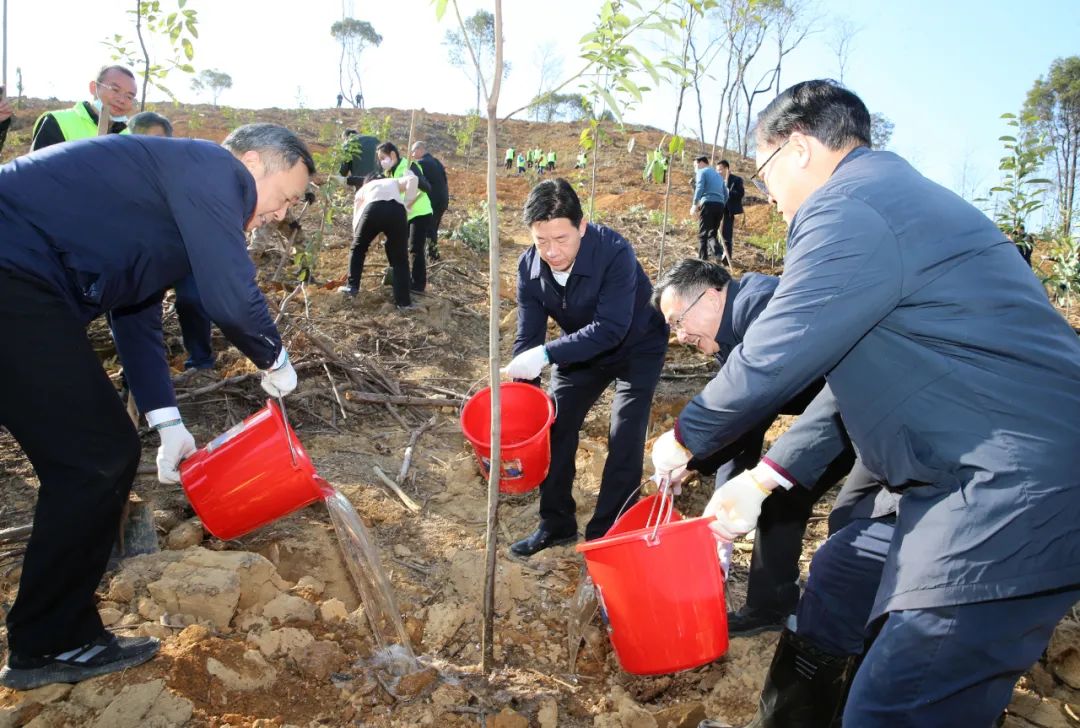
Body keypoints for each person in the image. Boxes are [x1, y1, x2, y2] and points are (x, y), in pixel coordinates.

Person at [647, 80, 1080, 726]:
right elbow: (842, 399)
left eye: (763, 171)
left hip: (1011, 488)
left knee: (897, 705)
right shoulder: (887, 206)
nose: (767, 194)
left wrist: (684, 437)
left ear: (797, 149)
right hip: (948, 478)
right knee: (844, 572)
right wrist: (763, 480)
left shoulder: (849, 206)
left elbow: (776, 348)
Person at [0, 122, 312, 691]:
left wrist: (166, 420)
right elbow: (229, 294)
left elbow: (135, 314)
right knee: (94, 457)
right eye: (284, 196)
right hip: (13, 273)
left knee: (95, 455)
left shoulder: (171, 203)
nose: (278, 214)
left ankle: (48, 637)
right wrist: (274, 355)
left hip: (23, 281)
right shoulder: (212, 171)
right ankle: (50, 641)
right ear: (252, 163)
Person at [653, 258, 888, 636]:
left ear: (712, 299)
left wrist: (760, 475)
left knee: (854, 519)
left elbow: (757, 397)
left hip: (872, 411)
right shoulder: (731, 337)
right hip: (835, 417)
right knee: (780, 499)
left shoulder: (762, 308)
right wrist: (695, 462)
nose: (679, 336)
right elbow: (746, 420)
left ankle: (859, 627)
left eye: (678, 322)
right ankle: (771, 606)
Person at [506, 178, 669, 556]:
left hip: (636, 345)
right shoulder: (529, 268)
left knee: (625, 434)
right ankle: (556, 522)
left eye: (561, 239)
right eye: (541, 240)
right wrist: (521, 394)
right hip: (579, 350)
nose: (551, 251)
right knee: (555, 426)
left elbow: (612, 328)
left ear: (581, 226)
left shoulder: (614, 252)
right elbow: (528, 337)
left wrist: (546, 355)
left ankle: (606, 535)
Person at [128, 111, 216, 373]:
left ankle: (201, 361)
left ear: (169, 139)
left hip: (183, 250)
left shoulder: (187, 168)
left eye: (156, 139)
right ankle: (140, 368)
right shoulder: (123, 171)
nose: (148, 146)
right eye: (140, 140)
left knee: (192, 299)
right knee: (133, 308)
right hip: (142, 253)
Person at [339, 173, 417, 309]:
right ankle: (404, 303)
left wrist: (359, 237)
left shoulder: (364, 188)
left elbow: (357, 217)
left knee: (358, 249)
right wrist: (407, 204)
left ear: (367, 181)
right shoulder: (393, 181)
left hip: (373, 209)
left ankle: (352, 287)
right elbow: (413, 179)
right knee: (400, 258)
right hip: (397, 211)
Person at [31, 65, 135, 151]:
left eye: (129, 96)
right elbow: (38, 172)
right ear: (93, 87)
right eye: (115, 90)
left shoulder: (131, 136)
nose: (122, 100)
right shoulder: (57, 122)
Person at [376, 142, 433, 293]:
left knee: (415, 248)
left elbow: (427, 187)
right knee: (391, 244)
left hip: (420, 212)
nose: (381, 162)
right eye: (380, 159)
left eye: (383, 157)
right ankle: (401, 277)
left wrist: (414, 178)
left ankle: (418, 286)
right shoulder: (389, 173)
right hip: (404, 215)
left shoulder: (408, 165)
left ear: (393, 155)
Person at [410, 141, 449, 263]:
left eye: (413, 151)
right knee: (433, 227)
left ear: (420, 149)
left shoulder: (422, 163)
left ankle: (433, 256)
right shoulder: (435, 161)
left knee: (430, 228)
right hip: (443, 199)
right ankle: (432, 253)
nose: (412, 154)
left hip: (434, 200)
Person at [691, 156, 728, 263]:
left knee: (703, 233)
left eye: (695, 165)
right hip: (720, 206)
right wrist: (721, 203)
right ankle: (718, 253)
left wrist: (695, 204)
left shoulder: (702, 172)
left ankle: (702, 260)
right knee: (712, 233)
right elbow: (726, 194)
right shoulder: (719, 176)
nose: (695, 168)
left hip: (708, 203)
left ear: (701, 163)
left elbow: (700, 187)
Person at [716, 160, 745, 264]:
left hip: (728, 210)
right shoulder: (716, 180)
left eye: (720, 170)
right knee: (713, 233)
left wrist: (727, 191)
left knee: (726, 235)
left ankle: (727, 259)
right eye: (717, 170)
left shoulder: (736, 180)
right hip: (717, 208)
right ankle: (718, 255)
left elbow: (740, 193)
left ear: (726, 169)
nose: (718, 172)